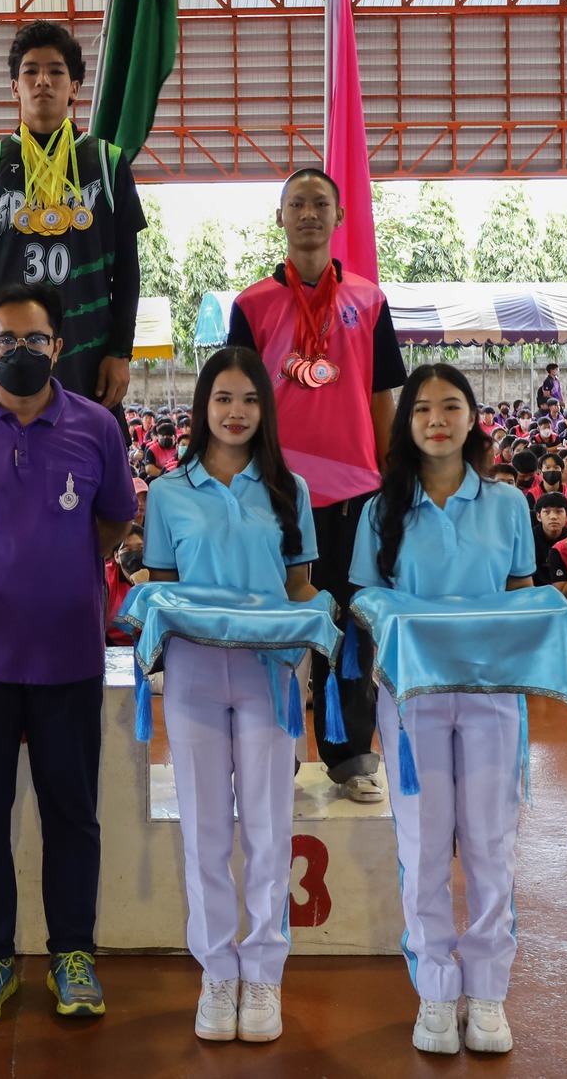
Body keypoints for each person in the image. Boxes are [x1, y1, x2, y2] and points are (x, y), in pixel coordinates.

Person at [0, 281, 137, 1023]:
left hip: (68, 655)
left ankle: (73, 951)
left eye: (32, 339)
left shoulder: (99, 427)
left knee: (73, 812)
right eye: (3, 341)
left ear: (58, 346)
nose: (18, 351)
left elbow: (109, 526)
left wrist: (56, 575)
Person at [349, 364, 534, 1057]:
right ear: (406, 424)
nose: (436, 418)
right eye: (422, 407)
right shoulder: (381, 509)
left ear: (472, 416)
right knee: (422, 844)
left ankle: (486, 993)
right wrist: (408, 622)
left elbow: (521, 594)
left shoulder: (508, 505)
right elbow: (366, 599)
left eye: (450, 405)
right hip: (414, 695)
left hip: (492, 695)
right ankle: (434, 990)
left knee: (490, 843)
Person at [141, 347, 317, 1045]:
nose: (235, 411)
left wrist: (308, 651)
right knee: (206, 828)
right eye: (223, 398)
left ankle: (264, 970)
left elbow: (301, 586)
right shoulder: (168, 491)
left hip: (269, 672)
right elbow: (160, 584)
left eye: (248, 399)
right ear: (202, 407)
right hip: (192, 670)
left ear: (263, 410)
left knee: (269, 827)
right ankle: (217, 970)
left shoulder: (288, 488)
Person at [224, 168, 407, 803]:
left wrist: (390, 479)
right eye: (296, 203)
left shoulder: (371, 300)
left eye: (320, 203)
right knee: (264, 621)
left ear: (339, 218)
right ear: (279, 218)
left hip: (355, 490)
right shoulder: (250, 305)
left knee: (350, 622)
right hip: (272, 489)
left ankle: (350, 752)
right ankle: (261, 749)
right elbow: (237, 399)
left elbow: (383, 394)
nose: (308, 213)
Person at [0, 22, 146, 410]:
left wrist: (121, 351)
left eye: (56, 71)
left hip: (88, 351)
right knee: (7, 461)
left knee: (87, 461)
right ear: (14, 86)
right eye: (30, 71)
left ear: (74, 87)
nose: (43, 80)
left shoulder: (108, 162)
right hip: (5, 351)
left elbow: (128, 268)